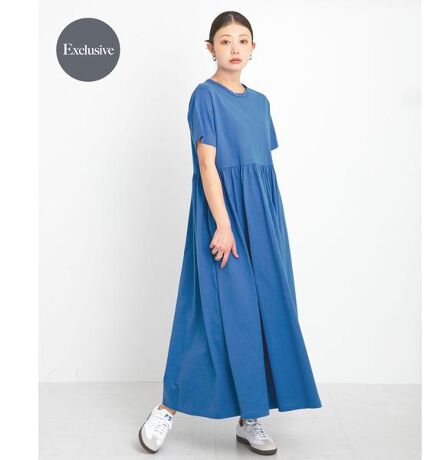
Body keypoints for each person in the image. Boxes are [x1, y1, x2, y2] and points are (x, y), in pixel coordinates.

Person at [138, 10, 322, 456]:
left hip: (264, 218)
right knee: (212, 315)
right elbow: (208, 164)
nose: (234, 48)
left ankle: (250, 417)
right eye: (225, 41)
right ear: (210, 48)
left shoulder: (260, 102)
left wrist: (269, 226)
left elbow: (261, 167)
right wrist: (223, 224)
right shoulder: (205, 96)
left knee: (262, 310)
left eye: (242, 40)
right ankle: (165, 409)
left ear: (253, 48)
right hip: (223, 216)